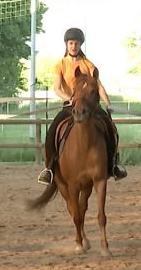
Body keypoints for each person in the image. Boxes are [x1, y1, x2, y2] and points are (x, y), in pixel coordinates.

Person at [37, 27, 128, 185]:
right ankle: (49, 168)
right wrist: (70, 99)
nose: (73, 46)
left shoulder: (87, 64)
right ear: (66, 44)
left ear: (80, 45)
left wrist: (108, 103)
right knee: (52, 130)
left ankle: (113, 164)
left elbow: (98, 85)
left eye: (76, 43)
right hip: (70, 106)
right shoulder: (60, 64)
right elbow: (57, 88)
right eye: (71, 43)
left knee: (110, 127)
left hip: (90, 106)